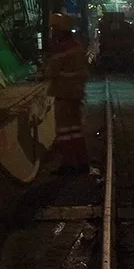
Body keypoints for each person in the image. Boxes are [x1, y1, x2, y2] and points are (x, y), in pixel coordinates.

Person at [44, 13, 90, 173]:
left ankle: (68, 164)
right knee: (76, 130)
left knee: (64, 132)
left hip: (64, 95)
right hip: (76, 95)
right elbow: (83, 72)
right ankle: (82, 162)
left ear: (59, 30)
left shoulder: (62, 49)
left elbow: (50, 71)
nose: (52, 31)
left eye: (54, 28)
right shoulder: (76, 46)